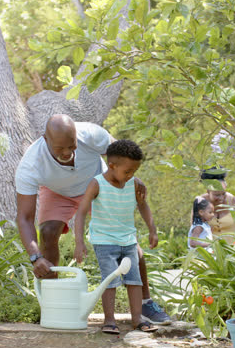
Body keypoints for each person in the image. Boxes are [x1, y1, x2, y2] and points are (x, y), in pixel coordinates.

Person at [15, 114, 171, 324]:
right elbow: (24, 218)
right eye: (60, 149)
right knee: (48, 232)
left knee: (125, 240)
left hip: (97, 184)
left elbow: (122, 156)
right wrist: (35, 257)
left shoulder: (91, 134)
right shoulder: (31, 164)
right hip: (57, 191)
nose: (68, 153)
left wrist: (130, 178)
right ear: (45, 140)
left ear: (77, 137)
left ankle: (146, 302)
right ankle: (53, 305)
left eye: (72, 146)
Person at [74, 139, 159, 334]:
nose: (130, 176)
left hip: (128, 240)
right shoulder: (97, 184)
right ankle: (109, 320)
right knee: (110, 280)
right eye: (127, 171)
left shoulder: (134, 183)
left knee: (135, 280)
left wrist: (152, 229)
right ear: (112, 165)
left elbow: (143, 206)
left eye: (134, 172)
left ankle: (137, 318)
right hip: (104, 241)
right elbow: (80, 213)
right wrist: (79, 242)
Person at [198, 167, 235, 244]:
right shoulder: (200, 204)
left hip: (234, 250)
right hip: (210, 250)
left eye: (223, 193)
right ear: (208, 191)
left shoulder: (234, 201)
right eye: (217, 195)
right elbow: (194, 229)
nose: (221, 198)